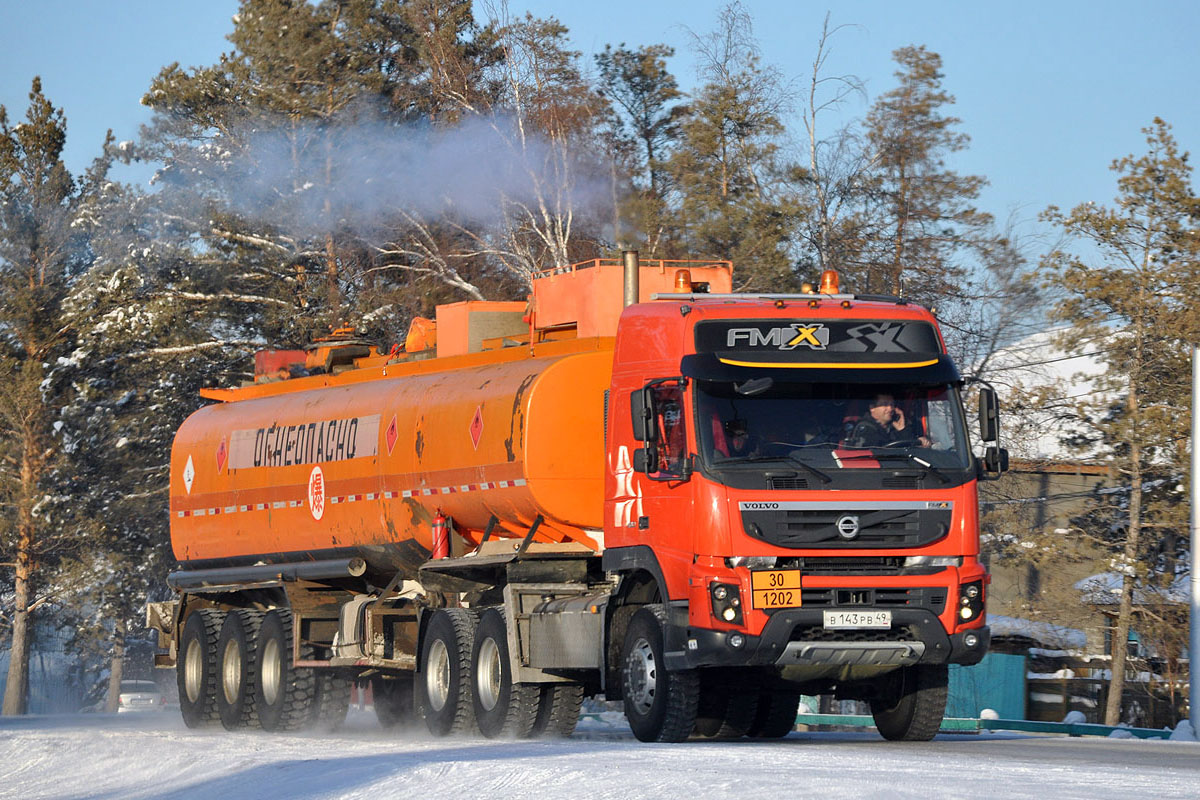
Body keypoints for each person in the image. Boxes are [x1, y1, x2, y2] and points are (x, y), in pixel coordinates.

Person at [849, 392, 930, 447]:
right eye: (885, 404)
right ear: (872, 408)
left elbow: (910, 452)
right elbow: (880, 449)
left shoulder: (893, 427)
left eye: (892, 404)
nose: (890, 408)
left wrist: (902, 429)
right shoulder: (864, 428)